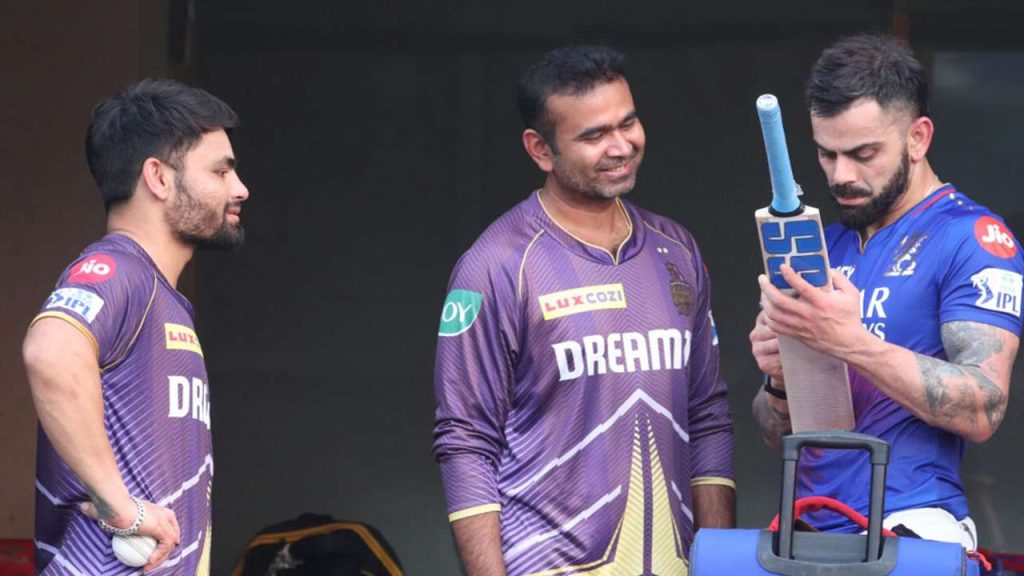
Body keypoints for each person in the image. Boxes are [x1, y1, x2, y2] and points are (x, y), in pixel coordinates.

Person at [432, 45, 734, 576]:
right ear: (540, 149)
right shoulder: (496, 265)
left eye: (628, 123)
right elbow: (466, 442)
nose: (621, 146)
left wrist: (719, 563)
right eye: (594, 136)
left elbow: (707, 415)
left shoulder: (677, 249)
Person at [751, 33, 1023, 549]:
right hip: (806, 527)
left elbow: (985, 408)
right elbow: (774, 436)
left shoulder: (973, 237)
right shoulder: (824, 246)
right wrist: (779, 379)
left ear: (918, 138)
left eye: (863, 153)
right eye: (827, 154)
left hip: (912, 524)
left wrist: (848, 341)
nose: (841, 175)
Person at [23, 78, 249, 574]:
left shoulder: (160, 296)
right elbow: (50, 351)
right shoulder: (119, 270)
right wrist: (121, 508)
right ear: (159, 178)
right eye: (221, 171)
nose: (240, 189)